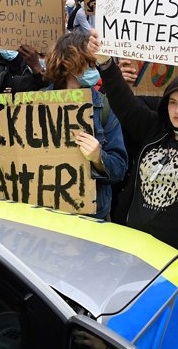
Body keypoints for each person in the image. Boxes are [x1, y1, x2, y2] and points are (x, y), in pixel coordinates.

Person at [96, 30, 178, 284]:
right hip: (136, 250)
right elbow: (124, 102)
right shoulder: (154, 128)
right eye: (173, 102)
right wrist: (105, 64)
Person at [41, 31, 128, 219]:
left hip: (91, 216)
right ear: (69, 64)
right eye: (89, 63)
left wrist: (99, 159)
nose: (93, 69)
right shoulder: (37, 103)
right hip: (46, 214)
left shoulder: (104, 106)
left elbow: (120, 168)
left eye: (95, 63)